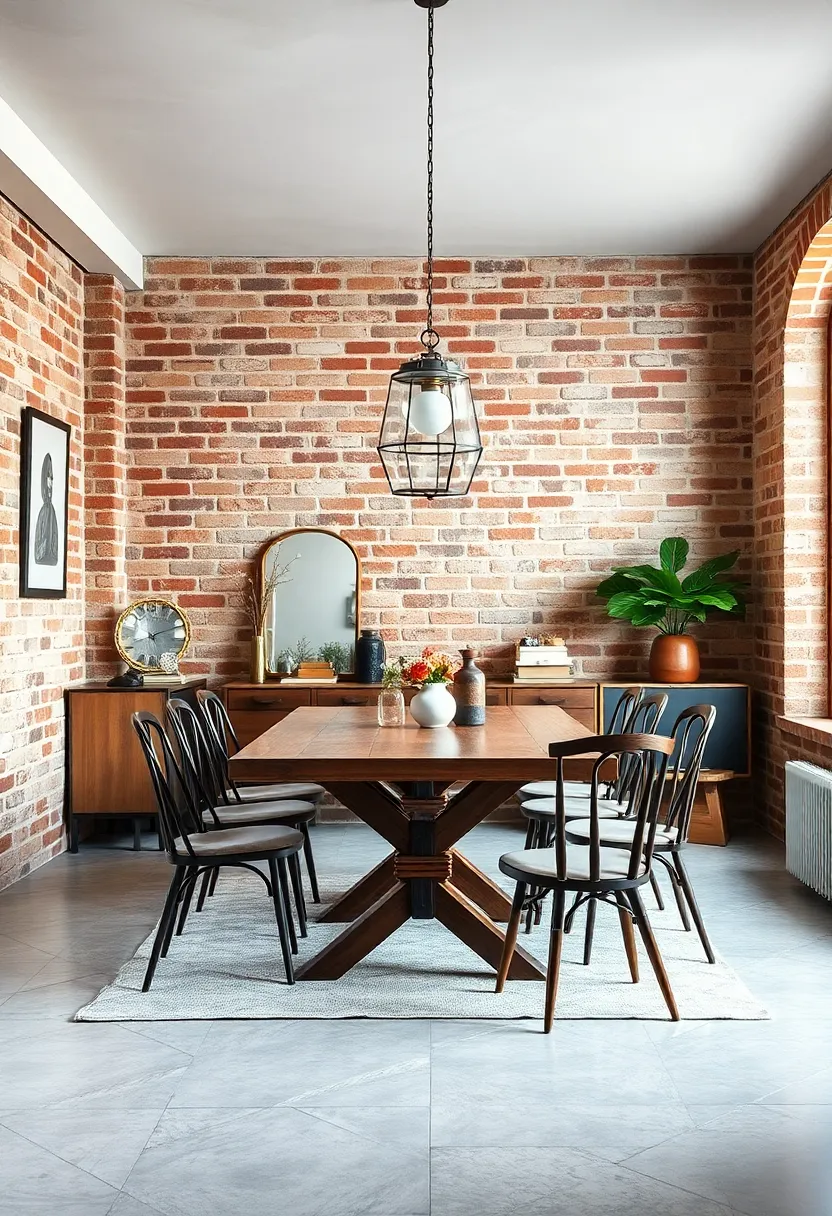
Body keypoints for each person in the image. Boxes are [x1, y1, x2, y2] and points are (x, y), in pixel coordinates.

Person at [34, 452, 59, 565]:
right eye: (48, 477)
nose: (50, 482)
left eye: (51, 478)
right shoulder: (44, 511)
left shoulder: (51, 510)